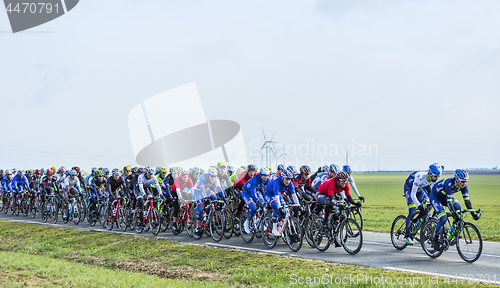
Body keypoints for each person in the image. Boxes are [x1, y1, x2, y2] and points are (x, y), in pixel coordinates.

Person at [429, 169, 480, 251]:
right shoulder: (449, 184)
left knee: (458, 207)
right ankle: (435, 238)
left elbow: (467, 201)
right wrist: (453, 214)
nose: (464, 183)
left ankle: (453, 231)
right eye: (462, 181)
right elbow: (449, 203)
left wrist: (474, 214)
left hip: (445, 197)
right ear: (456, 179)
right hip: (435, 198)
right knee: (443, 218)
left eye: (466, 181)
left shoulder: (463, 186)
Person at [402, 163, 443, 245]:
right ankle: (406, 236)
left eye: (438, 177)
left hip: (420, 188)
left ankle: (417, 220)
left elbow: (434, 193)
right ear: (430, 174)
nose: (436, 178)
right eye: (435, 176)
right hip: (410, 189)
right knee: (413, 211)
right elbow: (413, 194)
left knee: (429, 205)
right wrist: (419, 205)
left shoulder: (432, 178)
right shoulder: (420, 177)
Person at [264, 169, 300, 237]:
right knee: (277, 208)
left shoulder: (290, 183)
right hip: (269, 194)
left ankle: (278, 223)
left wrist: (298, 204)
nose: (288, 181)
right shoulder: (277, 182)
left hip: (277, 194)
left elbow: (294, 195)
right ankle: (274, 228)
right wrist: (280, 207)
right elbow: (277, 197)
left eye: (289, 179)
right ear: (283, 178)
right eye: (286, 179)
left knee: (285, 211)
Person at [193, 167, 224, 235]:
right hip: (198, 190)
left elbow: (219, 188)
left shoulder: (216, 179)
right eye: (211, 176)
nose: (213, 178)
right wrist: (205, 197)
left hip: (206, 189)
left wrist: (223, 197)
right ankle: (197, 227)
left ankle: (207, 216)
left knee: (214, 197)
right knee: (201, 208)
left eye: (214, 176)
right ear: (208, 175)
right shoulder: (202, 177)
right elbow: (202, 189)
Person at [242, 167, 269, 233]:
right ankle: (246, 222)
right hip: (247, 193)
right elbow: (253, 193)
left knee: (263, 205)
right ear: (260, 175)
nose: (266, 177)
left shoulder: (267, 180)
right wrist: (257, 200)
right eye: (264, 176)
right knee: (254, 207)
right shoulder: (254, 180)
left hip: (256, 192)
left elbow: (268, 190)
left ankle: (260, 222)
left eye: (267, 176)